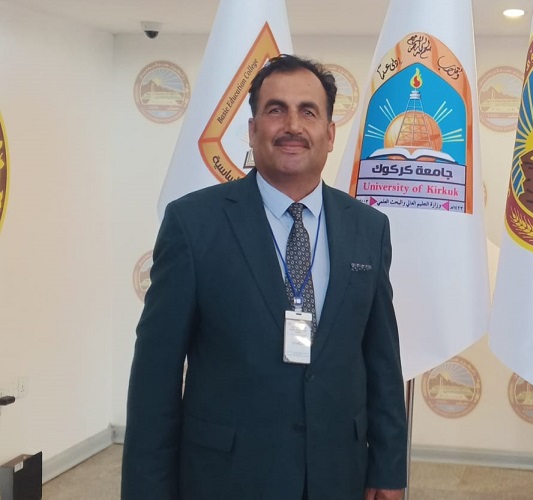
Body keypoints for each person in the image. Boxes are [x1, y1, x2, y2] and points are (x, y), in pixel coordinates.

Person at [121, 54, 408, 500]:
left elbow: (382, 361)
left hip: (338, 476)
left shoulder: (368, 228)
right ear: (253, 129)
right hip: (227, 479)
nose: (292, 125)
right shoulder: (193, 224)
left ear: (330, 133)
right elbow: (155, 377)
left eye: (308, 112)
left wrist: (388, 470)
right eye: (276, 110)